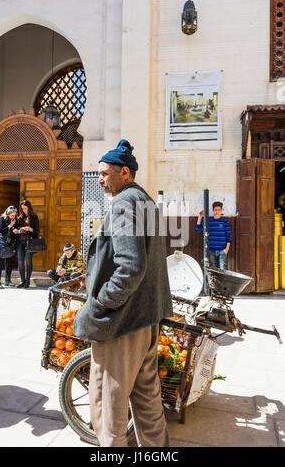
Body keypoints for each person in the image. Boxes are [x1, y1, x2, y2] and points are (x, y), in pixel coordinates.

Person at [73, 139, 173, 447]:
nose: (100, 180)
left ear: (124, 173)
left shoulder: (123, 203)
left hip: (122, 324)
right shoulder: (145, 201)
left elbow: (130, 267)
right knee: (148, 404)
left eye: (104, 173)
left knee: (108, 410)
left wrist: (101, 303)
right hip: (147, 319)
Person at [196, 201, 232, 270]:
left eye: (219, 210)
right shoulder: (208, 221)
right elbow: (198, 228)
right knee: (213, 270)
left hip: (222, 250)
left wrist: (226, 249)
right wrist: (200, 217)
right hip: (211, 250)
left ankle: (222, 281)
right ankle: (214, 281)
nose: (217, 212)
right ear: (213, 210)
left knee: (223, 269)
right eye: (215, 210)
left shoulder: (225, 222)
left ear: (221, 210)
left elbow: (229, 237)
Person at [15, 200, 39, 288]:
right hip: (20, 242)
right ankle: (22, 281)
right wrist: (17, 231)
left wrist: (30, 229)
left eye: (25, 208)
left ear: (29, 207)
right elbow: (17, 229)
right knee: (20, 262)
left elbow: (37, 232)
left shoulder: (34, 217)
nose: (24, 210)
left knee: (28, 262)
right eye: (22, 209)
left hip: (29, 242)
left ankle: (27, 281)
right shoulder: (19, 218)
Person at [0, 205, 18, 289]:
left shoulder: (15, 220)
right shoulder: (2, 219)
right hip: (0, 242)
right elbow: (1, 231)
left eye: (14, 215)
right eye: (12, 215)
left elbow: (15, 229)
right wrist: (10, 225)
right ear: (8, 213)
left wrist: (16, 231)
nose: (13, 217)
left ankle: (7, 281)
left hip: (9, 243)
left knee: (9, 262)